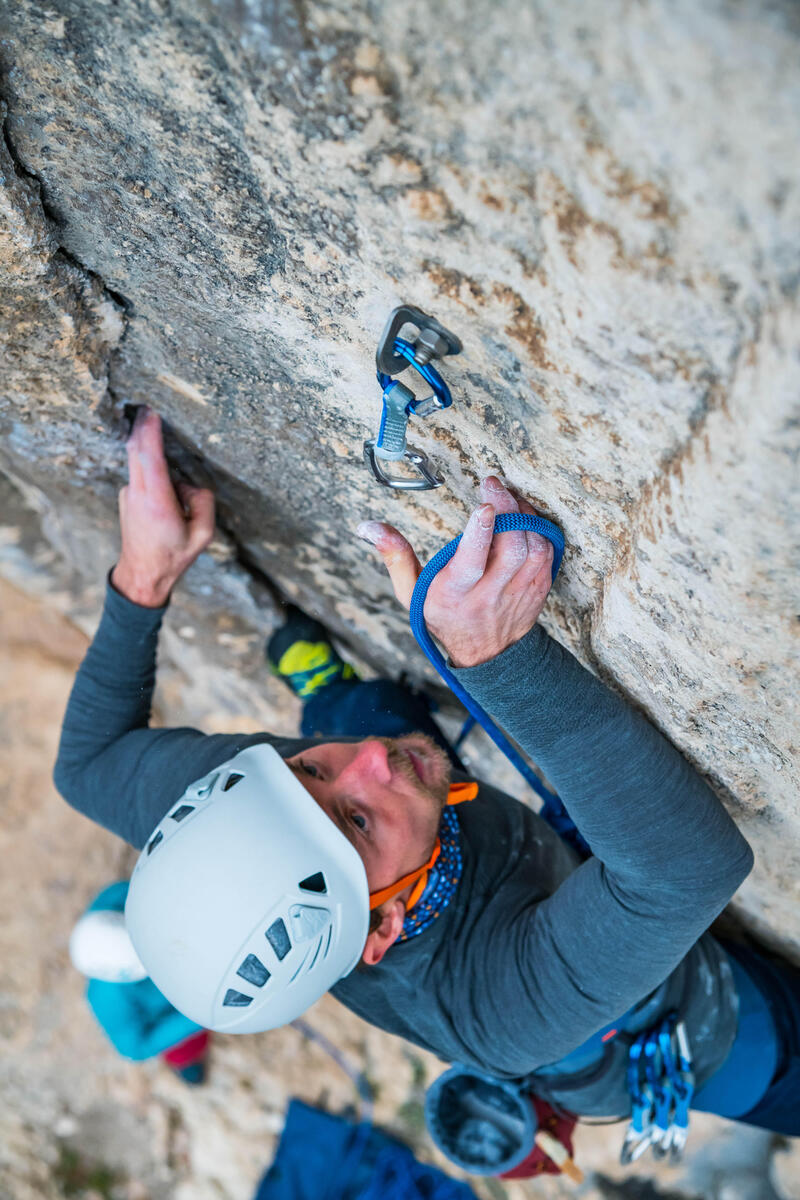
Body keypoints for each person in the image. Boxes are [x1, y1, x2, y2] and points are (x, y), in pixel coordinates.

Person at [54, 408, 799, 1144]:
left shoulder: (247, 810)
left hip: (533, 867)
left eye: (312, 768)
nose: (368, 761)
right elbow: (685, 873)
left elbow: (87, 766)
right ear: (382, 925)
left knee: (368, 714)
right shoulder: (496, 1013)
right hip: (700, 1032)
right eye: (356, 820)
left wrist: (145, 573)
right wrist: (498, 658)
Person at [69, 880, 211, 1084]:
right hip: (174, 1009)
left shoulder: (119, 897)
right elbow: (135, 1049)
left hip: (186, 963)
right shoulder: (105, 998)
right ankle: (190, 1066)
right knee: (184, 1051)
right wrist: (201, 1016)